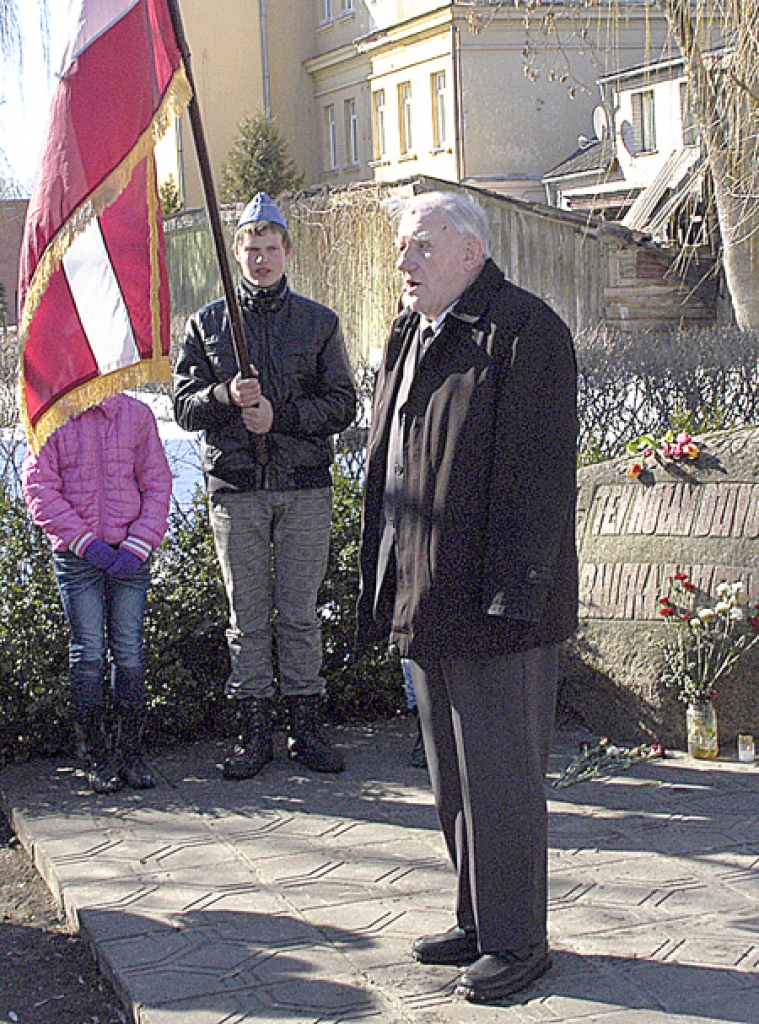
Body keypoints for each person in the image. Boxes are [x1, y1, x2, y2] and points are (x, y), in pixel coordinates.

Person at [357, 191, 578, 1003]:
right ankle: (478, 920)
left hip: (499, 612)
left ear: (470, 253)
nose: (402, 262)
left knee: (502, 780)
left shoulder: (524, 332)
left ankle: (519, 942)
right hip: (428, 595)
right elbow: (395, 464)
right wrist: (383, 578)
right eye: (401, 247)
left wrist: (514, 596)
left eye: (419, 246)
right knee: (452, 778)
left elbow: (538, 482)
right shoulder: (408, 333)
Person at [173, 192, 356, 780]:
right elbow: (182, 405)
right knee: (247, 617)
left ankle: (306, 726)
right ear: (238, 252)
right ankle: (254, 732)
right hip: (237, 488)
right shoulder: (207, 325)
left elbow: (343, 405)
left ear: (287, 252)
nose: (261, 259)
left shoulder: (319, 322)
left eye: (271, 248)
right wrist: (227, 396)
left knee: (300, 613)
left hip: (303, 487)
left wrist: (284, 417)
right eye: (252, 249)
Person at [21, 393, 172, 794]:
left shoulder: (137, 416)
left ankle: (131, 754)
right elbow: (39, 487)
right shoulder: (52, 419)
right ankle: (95, 755)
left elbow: (157, 482)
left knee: (129, 652)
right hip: (77, 556)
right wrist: (84, 541)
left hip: (130, 556)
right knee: (87, 653)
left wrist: (139, 543)